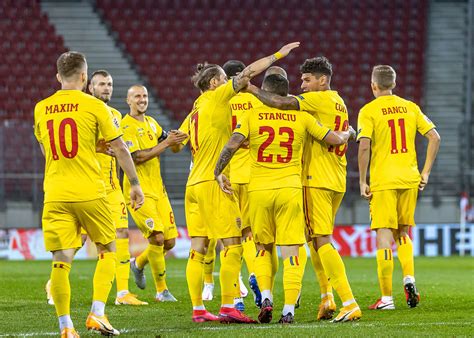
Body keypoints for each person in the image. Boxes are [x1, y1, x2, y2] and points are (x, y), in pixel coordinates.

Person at [173, 42, 300, 324]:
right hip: (214, 182)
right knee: (233, 245)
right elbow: (248, 73)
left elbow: (175, 144)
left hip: (193, 184)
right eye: (225, 78)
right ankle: (229, 305)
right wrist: (278, 55)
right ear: (217, 81)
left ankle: (198, 309)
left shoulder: (195, 108)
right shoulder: (219, 96)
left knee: (198, 248)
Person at [215, 73, 355, 324]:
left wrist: (217, 171)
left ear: (266, 92)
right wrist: (347, 133)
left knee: (262, 248)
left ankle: (266, 296)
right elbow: (333, 139)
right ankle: (289, 310)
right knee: (292, 250)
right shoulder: (303, 116)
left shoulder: (251, 115)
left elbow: (232, 144)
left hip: (259, 191)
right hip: (290, 190)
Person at [34, 51, 144, 337]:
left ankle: (66, 328)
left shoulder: (41, 108)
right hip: (91, 192)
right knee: (108, 250)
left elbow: (48, 151)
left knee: (61, 259)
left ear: (58, 76)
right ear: (84, 77)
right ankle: (97, 313)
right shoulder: (96, 107)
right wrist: (134, 183)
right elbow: (119, 148)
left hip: (55, 193)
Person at [357, 65, 440, 310]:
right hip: (409, 178)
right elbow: (435, 136)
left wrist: (362, 180)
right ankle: (409, 279)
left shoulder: (369, 110)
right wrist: (425, 173)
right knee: (403, 233)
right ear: (393, 84)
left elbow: (364, 147)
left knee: (384, 234)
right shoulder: (410, 107)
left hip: (384, 180)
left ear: (374, 85)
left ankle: (386, 298)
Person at [121, 85, 187, 302]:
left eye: (145, 96)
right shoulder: (125, 126)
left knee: (169, 243)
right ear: (128, 101)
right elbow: (136, 157)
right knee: (157, 237)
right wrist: (167, 143)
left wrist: (177, 139)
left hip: (159, 189)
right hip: (138, 191)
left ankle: (137, 263)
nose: (142, 99)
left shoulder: (152, 123)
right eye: (137, 96)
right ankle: (162, 291)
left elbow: (168, 140)